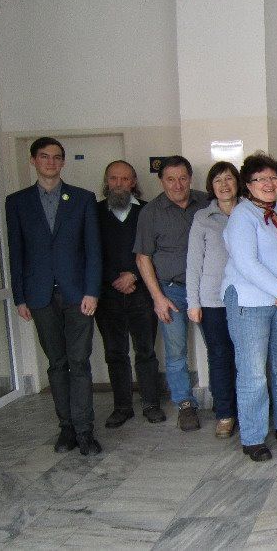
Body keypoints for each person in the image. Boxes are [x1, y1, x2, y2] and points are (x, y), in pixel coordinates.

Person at [6, 137, 102, 455]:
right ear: (33, 160)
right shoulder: (17, 202)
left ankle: (85, 431)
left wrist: (92, 291)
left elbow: (93, 250)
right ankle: (67, 429)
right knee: (57, 364)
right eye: (44, 156)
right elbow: (16, 253)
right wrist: (20, 297)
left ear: (63, 162)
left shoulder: (82, 198)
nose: (51, 162)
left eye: (57, 157)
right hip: (40, 295)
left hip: (78, 295)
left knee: (80, 362)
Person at [222, 152, 277, 462]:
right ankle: (253, 437)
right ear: (248, 184)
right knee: (253, 373)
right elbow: (246, 263)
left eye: (273, 177)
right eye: (261, 179)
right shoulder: (242, 215)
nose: (269, 183)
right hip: (249, 301)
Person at [134, 155, 209, 432]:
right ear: (161, 181)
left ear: (190, 178)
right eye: (170, 179)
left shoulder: (207, 202)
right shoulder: (151, 212)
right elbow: (143, 258)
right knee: (176, 352)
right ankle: (185, 404)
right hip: (172, 292)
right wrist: (158, 298)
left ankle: (226, 401)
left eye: (182, 178)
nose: (177, 185)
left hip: (207, 290)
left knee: (218, 347)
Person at [95, 160, 165, 429]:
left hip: (142, 293)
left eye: (125, 179)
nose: (119, 184)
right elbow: (90, 253)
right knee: (115, 352)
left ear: (133, 182)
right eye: (114, 178)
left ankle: (151, 403)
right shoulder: (95, 212)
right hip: (107, 294)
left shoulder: (147, 211)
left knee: (145, 350)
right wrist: (115, 278)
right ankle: (122, 407)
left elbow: (157, 249)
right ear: (106, 181)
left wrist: (133, 275)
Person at [186, 162, 240, 438]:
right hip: (212, 300)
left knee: (247, 358)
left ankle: (247, 409)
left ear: (237, 182)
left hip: (245, 299)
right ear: (211, 186)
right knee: (219, 357)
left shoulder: (249, 211)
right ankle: (225, 414)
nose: (224, 185)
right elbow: (194, 263)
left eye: (228, 179)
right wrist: (193, 302)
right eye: (218, 180)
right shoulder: (202, 217)